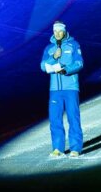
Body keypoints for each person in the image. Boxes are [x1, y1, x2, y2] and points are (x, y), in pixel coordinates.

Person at [41, 20, 84, 158]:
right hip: (55, 90)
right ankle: (58, 148)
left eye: (60, 31)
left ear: (64, 31)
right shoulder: (49, 48)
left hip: (70, 87)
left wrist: (66, 70)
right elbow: (43, 66)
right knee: (55, 118)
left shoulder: (73, 45)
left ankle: (75, 148)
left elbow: (79, 63)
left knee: (73, 117)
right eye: (55, 31)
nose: (58, 34)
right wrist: (54, 57)